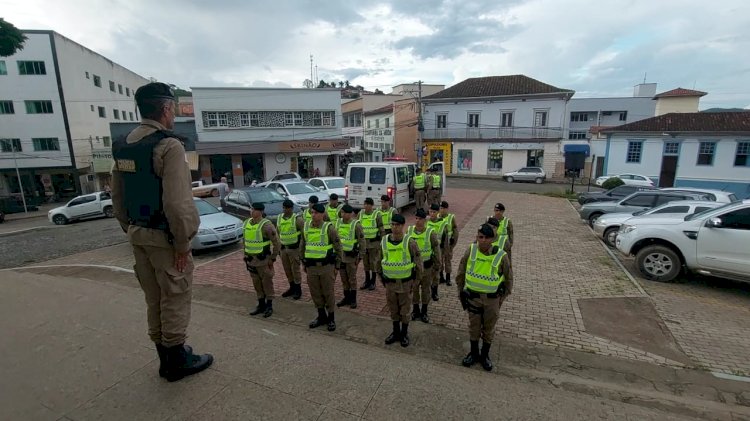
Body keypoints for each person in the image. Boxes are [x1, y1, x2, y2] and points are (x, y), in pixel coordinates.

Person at [111, 82, 212, 382]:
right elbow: (178, 203)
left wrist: (129, 228)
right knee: (175, 295)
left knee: (154, 297)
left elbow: (117, 195)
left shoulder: (123, 144)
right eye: (173, 109)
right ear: (167, 108)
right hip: (164, 238)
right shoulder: (168, 145)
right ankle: (176, 360)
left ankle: (163, 355)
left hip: (137, 233)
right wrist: (182, 243)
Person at [456, 224, 513, 372]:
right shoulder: (471, 250)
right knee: (474, 327)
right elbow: (461, 272)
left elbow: (508, 280)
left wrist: (500, 301)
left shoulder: (501, 256)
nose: (482, 240)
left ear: (492, 239)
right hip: (473, 298)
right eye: (480, 237)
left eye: (486, 238)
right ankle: (473, 354)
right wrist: (461, 292)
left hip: (492, 300)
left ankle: (484, 355)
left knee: (488, 329)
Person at [381, 214, 423, 347]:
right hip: (390, 284)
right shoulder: (384, 241)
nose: (394, 227)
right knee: (393, 310)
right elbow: (378, 262)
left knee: (404, 311)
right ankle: (395, 332)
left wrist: (414, 284)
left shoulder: (409, 242)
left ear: (402, 226)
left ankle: (404, 334)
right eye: (392, 224)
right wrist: (383, 281)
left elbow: (419, 265)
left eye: (397, 225)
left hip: (405, 284)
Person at [301, 203, 342, 331]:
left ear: (322, 214)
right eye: (312, 212)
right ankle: (321, 316)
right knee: (315, 293)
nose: (313, 215)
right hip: (311, 267)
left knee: (328, 293)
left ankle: (331, 318)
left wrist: (337, 266)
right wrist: (304, 263)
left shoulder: (329, 228)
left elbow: (338, 247)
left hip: (326, 267)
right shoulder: (306, 226)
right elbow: (303, 245)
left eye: (316, 213)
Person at [243, 202, 281, 318]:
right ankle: (261, 304)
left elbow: (277, 243)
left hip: (263, 261)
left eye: (253, 209)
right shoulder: (247, 223)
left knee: (267, 284)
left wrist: (272, 258)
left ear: (259, 211)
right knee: (257, 284)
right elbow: (245, 241)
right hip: (251, 260)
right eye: (251, 209)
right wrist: (245, 255)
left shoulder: (266, 225)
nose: (251, 211)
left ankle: (269, 306)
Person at [407, 208, 441, 323]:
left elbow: (436, 250)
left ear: (424, 220)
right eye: (416, 218)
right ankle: (415, 310)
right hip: (415, 268)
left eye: (420, 219)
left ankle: (424, 311)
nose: (417, 221)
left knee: (426, 290)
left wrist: (437, 265)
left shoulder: (430, 233)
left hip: (427, 268)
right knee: (415, 289)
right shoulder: (410, 231)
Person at [335, 204, 365, 309]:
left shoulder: (356, 225)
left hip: (351, 257)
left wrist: (360, 257)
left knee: (352, 279)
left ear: (350, 214)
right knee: (344, 279)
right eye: (342, 213)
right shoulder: (338, 223)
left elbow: (362, 241)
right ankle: (346, 298)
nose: (344, 215)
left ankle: (353, 299)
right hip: (341, 257)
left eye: (346, 213)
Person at [277, 199, 304, 300]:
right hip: (284, 249)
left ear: (292, 208)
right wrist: (279, 249)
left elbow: (304, 235)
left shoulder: (297, 219)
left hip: (294, 249)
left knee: (295, 270)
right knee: (287, 270)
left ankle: (298, 289)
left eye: (288, 208)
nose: (285, 210)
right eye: (284, 208)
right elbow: (277, 234)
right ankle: (292, 287)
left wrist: (301, 249)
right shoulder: (279, 218)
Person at [358, 197, 384, 291]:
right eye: (365, 204)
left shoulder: (377, 214)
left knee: (373, 263)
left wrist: (382, 242)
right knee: (365, 263)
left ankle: (373, 282)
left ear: (371, 205)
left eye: (368, 204)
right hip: (364, 244)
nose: (366, 206)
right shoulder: (360, 214)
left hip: (374, 243)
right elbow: (358, 228)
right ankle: (367, 281)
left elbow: (381, 229)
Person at [426, 204, 445, 301]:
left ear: (438, 213)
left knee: (436, 272)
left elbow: (445, 239)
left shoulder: (442, 223)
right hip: (428, 251)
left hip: (438, 250)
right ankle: (429, 290)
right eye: (430, 212)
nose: (432, 214)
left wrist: (445, 252)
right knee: (428, 272)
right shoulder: (426, 222)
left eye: (434, 212)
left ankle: (435, 291)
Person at [438, 201, 459, 286]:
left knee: (447, 261)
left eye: (443, 208)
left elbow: (455, 231)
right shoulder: (437, 217)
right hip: (440, 244)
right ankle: (441, 277)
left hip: (448, 244)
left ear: (447, 209)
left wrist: (453, 244)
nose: (441, 210)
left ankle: (448, 278)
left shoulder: (451, 217)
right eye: (441, 208)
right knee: (440, 261)